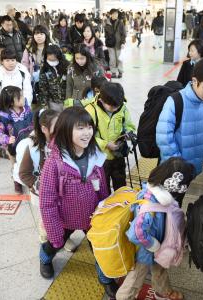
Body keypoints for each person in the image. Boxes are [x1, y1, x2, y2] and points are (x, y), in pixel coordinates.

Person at [38, 107, 115, 296]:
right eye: (80, 128)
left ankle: (105, 278)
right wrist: (54, 232)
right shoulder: (54, 163)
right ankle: (45, 257)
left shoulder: (94, 154)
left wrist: (104, 213)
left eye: (89, 127)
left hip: (92, 216)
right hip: (65, 218)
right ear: (66, 129)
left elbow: (102, 187)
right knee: (54, 243)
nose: (87, 132)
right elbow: (47, 201)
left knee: (99, 248)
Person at [116, 157, 195, 300]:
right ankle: (123, 297)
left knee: (160, 270)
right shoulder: (149, 205)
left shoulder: (161, 196)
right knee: (135, 278)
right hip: (146, 251)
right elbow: (136, 233)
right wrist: (154, 245)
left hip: (159, 246)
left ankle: (163, 292)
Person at [157, 57, 203, 177]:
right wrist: (178, 166)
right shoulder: (175, 101)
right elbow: (164, 138)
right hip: (173, 171)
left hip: (193, 168)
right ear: (194, 81)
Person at [18, 109, 59, 242]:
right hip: (42, 194)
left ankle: (62, 237)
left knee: (60, 217)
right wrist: (43, 186)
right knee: (46, 221)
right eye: (56, 127)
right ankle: (46, 242)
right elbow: (24, 173)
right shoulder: (33, 147)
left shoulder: (61, 142)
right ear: (44, 129)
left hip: (61, 191)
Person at [85, 82, 135, 192]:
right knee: (103, 188)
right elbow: (86, 137)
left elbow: (129, 125)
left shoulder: (122, 107)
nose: (115, 108)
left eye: (117, 106)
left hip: (118, 155)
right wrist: (106, 144)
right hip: (100, 159)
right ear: (102, 100)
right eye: (112, 107)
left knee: (121, 185)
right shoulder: (90, 110)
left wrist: (129, 133)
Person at [0, 86, 32, 193]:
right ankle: (17, 181)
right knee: (16, 165)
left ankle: (30, 179)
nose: (24, 98)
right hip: (13, 146)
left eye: (23, 95)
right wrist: (7, 139)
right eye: (20, 96)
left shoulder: (27, 110)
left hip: (29, 142)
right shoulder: (4, 116)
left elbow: (34, 123)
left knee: (29, 162)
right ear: (10, 102)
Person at [38, 45, 69, 112]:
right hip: (53, 102)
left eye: (54, 60)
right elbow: (43, 88)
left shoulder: (67, 66)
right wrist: (44, 103)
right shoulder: (44, 70)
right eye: (50, 60)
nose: (52, 62)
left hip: (67, 100)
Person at [104, 9, 126, 79]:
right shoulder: (107, 23)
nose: (115, 15)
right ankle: (113, 72)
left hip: (118, 44)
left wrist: (122, 42)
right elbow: (105, 34)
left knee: (119, 58)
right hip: (110, 44)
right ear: (111, 14)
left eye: (116, 13)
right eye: (114, 13)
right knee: (112, 58)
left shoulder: (120, 23)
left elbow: (124, 34)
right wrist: (107, 39)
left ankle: (120, 71)